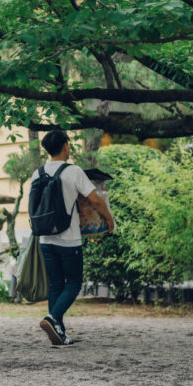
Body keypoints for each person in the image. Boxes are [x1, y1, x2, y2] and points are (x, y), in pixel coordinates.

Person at [31, 130, 115, 346]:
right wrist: (109, 220)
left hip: (46, 240)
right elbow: (95, 199)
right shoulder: (73, 171)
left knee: (56, 284)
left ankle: (58, 332)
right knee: (75, 283)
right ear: (65, 146)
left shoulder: (37, 173)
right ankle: (52, 318)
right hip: (69, 240)